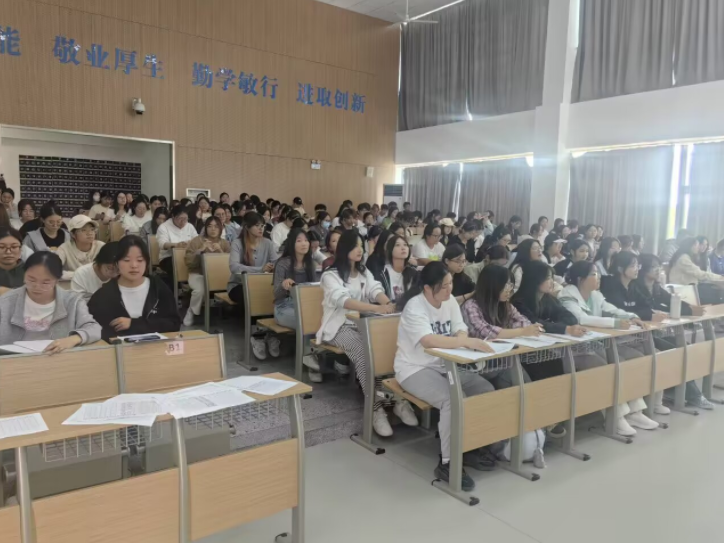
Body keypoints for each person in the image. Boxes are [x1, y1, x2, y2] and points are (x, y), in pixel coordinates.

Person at [395, 262, 496, 490]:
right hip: (414, 369)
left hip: (444, 365)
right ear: (428, 288)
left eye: (451, 283)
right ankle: (448, 462)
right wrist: (463, 342)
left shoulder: (449, 301)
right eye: (444, 286)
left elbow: (461, 328)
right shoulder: (415, 307)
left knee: (484, 390)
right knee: (452, 399)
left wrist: (461, 336)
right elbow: (428, 340)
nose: (450, 289)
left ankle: (469, 447)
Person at [317, 230, 409, 436]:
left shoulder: (363, 271)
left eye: (361, 245)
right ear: (344, 249)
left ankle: (396, 400)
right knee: (364, 353)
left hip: (363, 323)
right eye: (355, 246)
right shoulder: (330, 275)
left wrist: (388, 304)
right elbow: (343, 301)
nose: (360, 250)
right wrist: (377, 308)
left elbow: (375, 289)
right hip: (339, 326)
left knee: (388, 347)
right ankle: (376, 409)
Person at [558, 261, 658, 436]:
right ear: (581, 279)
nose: (598, 277)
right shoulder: (567, 295)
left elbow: (612, 310)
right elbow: (581, 319)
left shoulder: (595, 295)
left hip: (598, 344)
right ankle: (616, 417)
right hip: (576, 349)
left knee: (629, 361)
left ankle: (635, 412)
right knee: (607, 368)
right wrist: (615, 323)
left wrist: (631, 317)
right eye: (593, 274)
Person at [632, 253, 712, 410]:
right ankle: (693, 396)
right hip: (641, 334)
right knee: (675, 351)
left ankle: (679, 390)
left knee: (684, 346)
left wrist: (691, 309)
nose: (658, 270)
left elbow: (671, 301)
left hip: (655, 332)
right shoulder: (635, 288)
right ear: (643, 269)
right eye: (654, 267)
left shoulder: (656, 288)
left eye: (659, 267)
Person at [512, 261, 602, 379]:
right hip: (530, 353)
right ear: (535, 279)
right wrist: (565, 328)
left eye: (552, 278)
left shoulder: (548, 299)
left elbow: (570, 317)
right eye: (548, 278)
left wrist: (558, 326)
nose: (552, 282)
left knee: (595, 353)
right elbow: (535, 324)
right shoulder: (518, 302)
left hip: (550, 344)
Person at [461, 265, 544, 389]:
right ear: (492, 285)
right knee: (515, 380)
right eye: (506, 285)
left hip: (500, 360)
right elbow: (485, 332)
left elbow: (523, 321)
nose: (509, 290)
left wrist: (528, 329)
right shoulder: (471, 305)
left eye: (511, 285)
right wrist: (522, 331)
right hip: (477, 364)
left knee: (524, 383)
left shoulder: (505, 305)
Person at [0, 251, 102, 352]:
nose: (37, 287)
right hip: (15, 358)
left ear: (57, 280)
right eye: (31, 280)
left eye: (45, 282)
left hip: (57, 357)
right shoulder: (6, 302)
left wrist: (72, 339)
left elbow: (94, 328)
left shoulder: (72, 301)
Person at [89, 236, 180, 341]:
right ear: (117, 263)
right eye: (126, 260)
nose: (134, 265)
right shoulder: (103, 295)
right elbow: (93, 330)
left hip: (157, 348)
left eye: (140, 260)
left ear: (146, 262)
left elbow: (174, 324)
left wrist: (134, 324)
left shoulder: (158, 288)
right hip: (118, 350)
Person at [228, 212, 278, 358]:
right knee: (253, 297)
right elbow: (234, 267)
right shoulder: (238, 243)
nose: (261, 228)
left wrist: (273, 267)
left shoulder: (268, 243)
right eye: (257, 225)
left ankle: (270, 333)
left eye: (262, 225)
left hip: (263, 285)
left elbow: (276, 262)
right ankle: (257, 336)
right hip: (238, 285)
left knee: (273, 296)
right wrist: (260, 269)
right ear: (247, 227)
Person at [183, 217, 231, 327]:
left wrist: (220, 251)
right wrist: (200, 250)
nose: (213, 229)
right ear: (205, 228)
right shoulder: (197, 241)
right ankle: (191, 311)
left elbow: (230, 263)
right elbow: (188, 261)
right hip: (198, 274)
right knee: (200, 290)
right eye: (210, 226)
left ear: (221, 228)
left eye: (216, 226)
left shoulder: (225, 243)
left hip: (219, 276)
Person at [273, 228, 317, 333]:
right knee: (308, 320)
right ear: (292, 243)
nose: (304, 243)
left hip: (304, 305)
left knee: (319, 317)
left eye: (306, 240)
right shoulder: (283, 263)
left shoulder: (311, 264)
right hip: (284, 307)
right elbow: (277, 294)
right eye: (299, 241)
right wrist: (283, 286)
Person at [669, 237, 724, 304]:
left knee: (715, 290)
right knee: (714, 293)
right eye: (697, 246)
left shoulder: (686, 257)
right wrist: (720, 277)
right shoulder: (683, 259)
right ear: (691, 246)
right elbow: (700, 274)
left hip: (688, 286)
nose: (698, 248)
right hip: (682, 288)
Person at [370, 234, 418, 303]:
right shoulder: (382, 273)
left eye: (405, 245)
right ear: (390, 250)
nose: (403, 248)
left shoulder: (414, 273)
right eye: (397, 245)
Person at [156, 205, 199, 277]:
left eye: (185, 219)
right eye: (180, 218)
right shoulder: (164, 227)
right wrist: (177, 245)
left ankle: (191, 282)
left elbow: (197, 240)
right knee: (179, 263)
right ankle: (179, 283)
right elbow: (162, 244)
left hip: (188, 256)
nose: (183, 222)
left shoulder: (189, 226)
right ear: (173, 216)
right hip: (168, 257)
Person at [0, 227, 26, 292]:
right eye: (2, 247)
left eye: (14, 247)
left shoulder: (31, 270)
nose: (8, 252)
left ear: (20, 248)